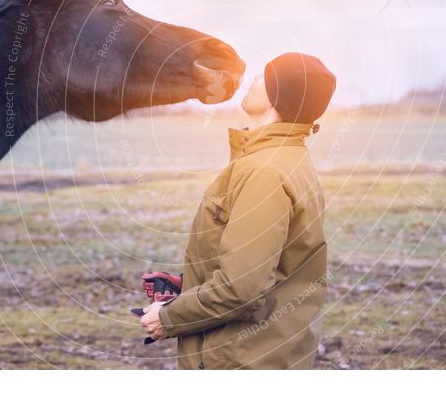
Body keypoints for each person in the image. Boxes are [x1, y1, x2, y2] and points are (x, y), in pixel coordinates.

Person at [140, 52, 337, 369]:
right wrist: (187, 285)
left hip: (240, 359)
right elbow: (268, 264)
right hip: (267, 351)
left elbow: (241, 288)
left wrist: (168, 318)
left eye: (263, 76)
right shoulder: (286, 158)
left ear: (277, 96)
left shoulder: (264, 173)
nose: (254, 79)